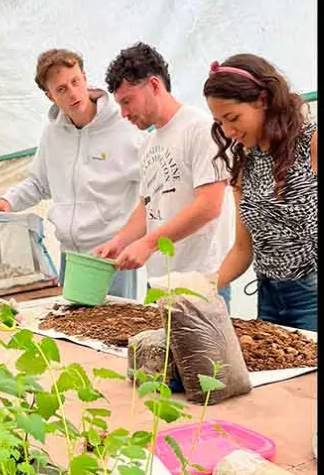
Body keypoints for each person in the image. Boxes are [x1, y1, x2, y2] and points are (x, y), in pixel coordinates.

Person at [0, 48, 143, 298]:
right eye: (61, 89)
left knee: (112, 333)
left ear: (84, 77)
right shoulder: (52, 134)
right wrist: (8, 201)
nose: (72, 93)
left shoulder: (125, 129)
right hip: (70, 256)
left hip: (112, 257)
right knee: (70, 331)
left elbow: (155, 189)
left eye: (75, 82)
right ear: (49, 95)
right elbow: (39, 183)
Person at [93, 42, 235, 309]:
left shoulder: (202, 129)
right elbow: (147, 206)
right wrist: (120, 241)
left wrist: (147, 244)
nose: (123, 113)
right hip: (159, 282)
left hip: (199, 280)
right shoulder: (148, 143)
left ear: (155, 86)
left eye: (127, 101)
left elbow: (209, 206)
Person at [203, 54, 317, 331]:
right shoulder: (245, 164)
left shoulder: (310, 144)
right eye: (220, 122)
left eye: (233, 118)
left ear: (263, 100)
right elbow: (243, 250)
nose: (228, 132)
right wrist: (203, 288)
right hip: (268, 300)